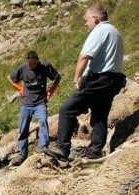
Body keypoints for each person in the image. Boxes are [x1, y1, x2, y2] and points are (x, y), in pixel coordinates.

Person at [45, 4, 125, 161]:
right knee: (100, 114)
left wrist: (78, 78)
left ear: (95, 18)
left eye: (86, 20)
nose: (85, 23)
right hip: (114, 80)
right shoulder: (115, 32)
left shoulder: (99, 31)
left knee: (67, 109)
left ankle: (62, 148)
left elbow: (84, 56)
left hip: (99, 79)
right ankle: (94, 150)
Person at [7, 50, 61, 166]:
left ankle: (42, 148)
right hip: (26, 103)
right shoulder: (23, 68)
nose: (32, 66)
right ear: (27, 62)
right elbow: (10, 77)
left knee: (43, 123)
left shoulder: (45, 66)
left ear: (37, 60)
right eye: (30, 65)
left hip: (40, 102)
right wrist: (20, 89)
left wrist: (50, 92)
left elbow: (57, 78)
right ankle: (22, 155)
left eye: (34, 64)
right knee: (23, 129)